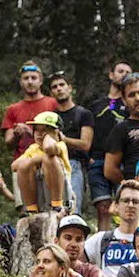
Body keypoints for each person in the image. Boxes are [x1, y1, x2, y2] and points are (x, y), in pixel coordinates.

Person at [87, 60, 132, 231]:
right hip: (97, 159)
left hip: (122, 161)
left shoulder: (130, 105)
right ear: (111, 75)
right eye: (120, 71)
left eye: (128, 72)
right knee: (103, 206)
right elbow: (87, 132)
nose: (124, 74)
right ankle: (103, 246)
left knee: (127, 204)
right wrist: (88, 158)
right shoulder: (96, 105)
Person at [48, 71, 94, 214]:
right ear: (51, 93)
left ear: (70, 88)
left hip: (74, 165)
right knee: (52, 211)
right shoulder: (51, 116)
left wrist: (63, 139)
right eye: (55, 87)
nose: (59, 89)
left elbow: (86, 144)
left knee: (72, 210)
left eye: (62, 85)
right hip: (51, 164)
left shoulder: (83, 114)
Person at [85, 179, 139, 277]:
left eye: (136, 202)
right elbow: (76, 264)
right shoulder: (101, 239)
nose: (130, 205)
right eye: (126, 201)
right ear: (116, 205)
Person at [13, 111, 69, 215]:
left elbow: (48, 148)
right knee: (24, 165)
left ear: (57, 132)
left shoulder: (60, 145)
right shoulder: (33, 148)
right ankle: (31, 208)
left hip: (61, 196)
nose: (39, 134)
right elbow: (15, 166)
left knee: (49, 159)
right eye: (36, 130)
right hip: (39, 196)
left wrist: (49, 138)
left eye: (45, 130)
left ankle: (57, 205)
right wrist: (34, 160)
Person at [0, 62, 58, 159]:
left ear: (41, 81)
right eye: (26, 78)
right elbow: (8, 144)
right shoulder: (13, 109)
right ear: (20, 82)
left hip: (49, 160)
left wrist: (29, 131)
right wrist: (17, 135)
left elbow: (60, 136)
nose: (30, 82)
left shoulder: (53, 103)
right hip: (21, 161)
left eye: (34, 78)